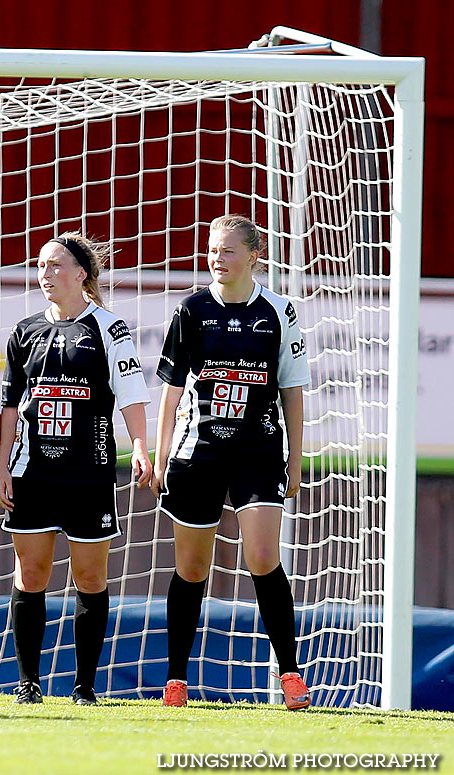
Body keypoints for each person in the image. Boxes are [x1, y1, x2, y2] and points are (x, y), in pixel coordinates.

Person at [152, 214, 310, 710]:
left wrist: (296, 462)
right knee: (193, 567)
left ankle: (291, 676)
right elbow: (171, 391)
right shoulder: (191, 310)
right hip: (197, 453)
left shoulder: (280, 311)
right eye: (212, 250)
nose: (216, 259)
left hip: (259, 451)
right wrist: (159, 460)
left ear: (253, 256)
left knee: (263, 558)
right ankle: (176, 679)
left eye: (226, 251)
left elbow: (292, 393)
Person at [0, 232, 151, 706]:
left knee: (89, 577)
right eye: (41, 266)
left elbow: (131, 393)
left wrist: (141, 447)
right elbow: (7, 408)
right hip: (31, 472)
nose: (45, 274)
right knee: (32, 573)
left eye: (56, 265)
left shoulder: (108, 328)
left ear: (82, 274)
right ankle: (28, 685)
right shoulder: (24, 332)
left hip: (90, 474)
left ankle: (85, 687)